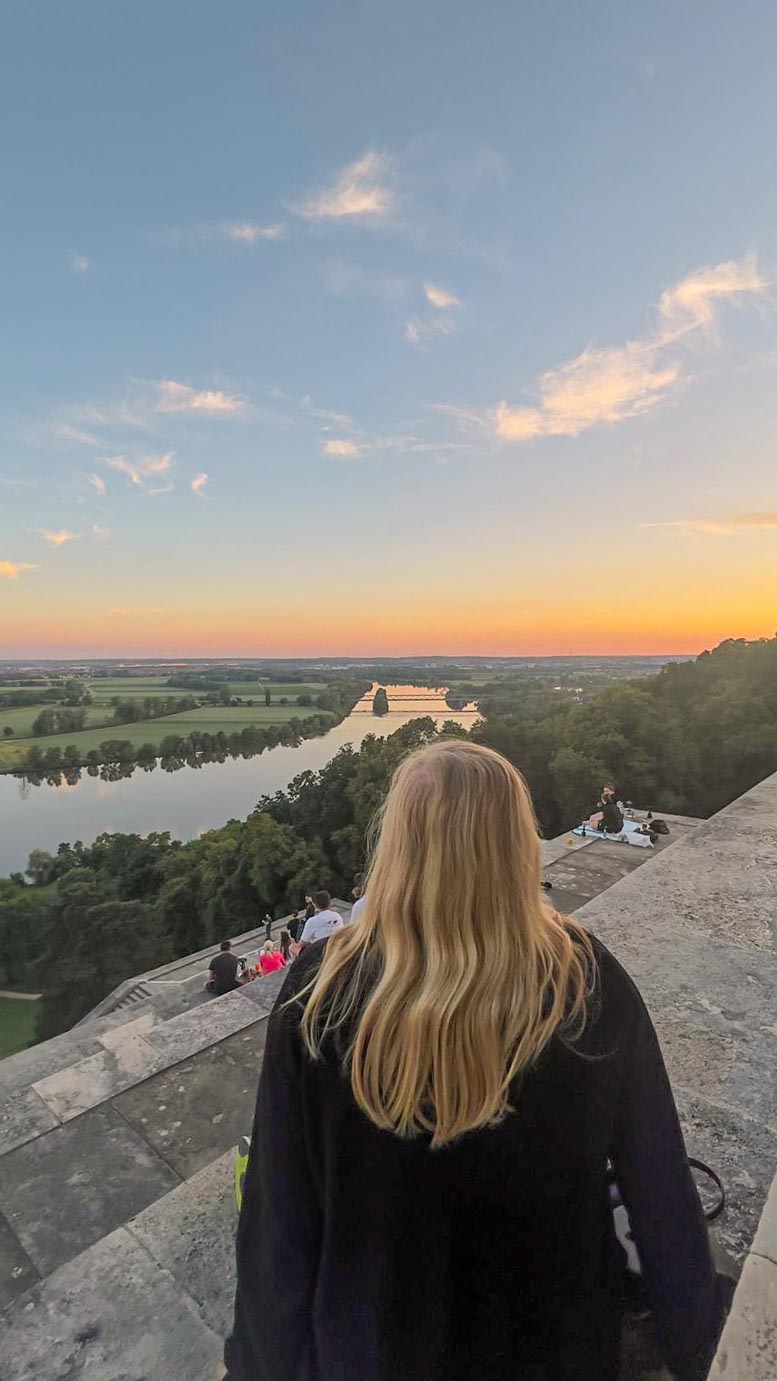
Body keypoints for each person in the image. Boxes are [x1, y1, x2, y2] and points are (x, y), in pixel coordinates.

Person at [225, 742, 723, 1381]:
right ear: (518, 846)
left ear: (399, 848)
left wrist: (256, 1365)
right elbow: (658, 1186)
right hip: (555, 1344)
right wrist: (700, 1341)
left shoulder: (321, 994)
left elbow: (279, 1219)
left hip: (375, 1345)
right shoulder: (585, 983)